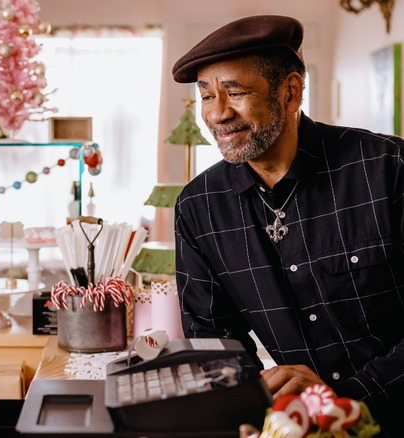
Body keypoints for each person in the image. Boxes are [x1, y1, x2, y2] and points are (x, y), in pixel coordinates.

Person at [172, 15, 403, 436]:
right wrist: (245, 404)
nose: (218, 114)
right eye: (206, 96)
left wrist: (349, 400)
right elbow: (212, 341)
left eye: (235, 92)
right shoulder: (198, 207)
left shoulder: (388, 169)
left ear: (291, 91)